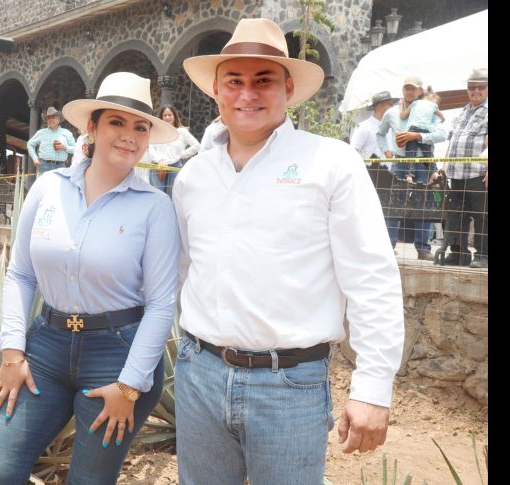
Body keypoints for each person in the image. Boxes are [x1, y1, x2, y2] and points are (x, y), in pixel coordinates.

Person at [173, 18, 404, 484]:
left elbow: (371, 277)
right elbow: (184, 272)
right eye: (234, 81)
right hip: (199, 375)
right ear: (216, 90)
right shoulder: (192, 177)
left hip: (289, 386)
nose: (247, 94)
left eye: (264, 80)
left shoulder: (332, 163)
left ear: (289, 88)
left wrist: (373, 388)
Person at [0, 72, 180, 484]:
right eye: (116, 123)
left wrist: (129, 387)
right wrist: (13, 352)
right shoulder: (47, 188)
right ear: (92, 127)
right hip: (46, 349)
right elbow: (20, 273)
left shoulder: (155, 208)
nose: (128, 137)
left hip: (117, 355)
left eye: (140, 127)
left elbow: (161, 304)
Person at [376, 75, 446, 261]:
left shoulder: (428, 109)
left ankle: (423, 249)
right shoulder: (391, 112)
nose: (409, 91)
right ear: (402, 90)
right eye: (407, 88)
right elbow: (380, 134)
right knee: (394, 204)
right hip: (401, 162)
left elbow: (442, 134)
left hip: (424, 163)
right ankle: (388, 247)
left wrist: (418, 136)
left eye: (413, 88)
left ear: (420, 91)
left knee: (425, 206)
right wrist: (386, 151)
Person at [441, 68, 488, 268]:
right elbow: (452, 142)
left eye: (480, 87)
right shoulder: (463, 111)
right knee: (456, 214)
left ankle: (483, 255)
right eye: (471, 87)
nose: (475, 91)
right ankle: (459, 253)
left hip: (478, 173)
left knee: (482, 216)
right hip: (457, 174)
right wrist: (443, 167)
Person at [145, 105, 200, 196]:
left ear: (174, 116)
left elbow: (197, 146)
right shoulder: (156, 131)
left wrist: (181, 155)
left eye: (170, 115)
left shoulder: (182, 132)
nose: (167, 117)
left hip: (175, 166)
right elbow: (150, 147)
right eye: (165, 115)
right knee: (157, 196)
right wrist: (159, 160)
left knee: (173, 196)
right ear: (161, 117)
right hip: (158, 166)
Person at [399, 86, 445, 158]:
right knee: (428, 157)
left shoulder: (415, 103)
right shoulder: (433, 106)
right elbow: (442, 118)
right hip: (425, 131)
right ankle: (432, 167)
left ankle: (411, 168)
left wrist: (401, 104)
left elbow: (402, 116)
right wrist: (439, 120)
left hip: (412, 129)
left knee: (411, 156)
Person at [27, 106, 76, 174]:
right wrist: (35, 158)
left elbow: (76, 149)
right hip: (44, 166)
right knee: (45, 185)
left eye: (53, 117)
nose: (50, 119)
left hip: (61, 166)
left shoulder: (67, 133)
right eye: (49, 118)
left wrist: (65, 147)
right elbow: (30, 144)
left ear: (59, 119)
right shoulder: (41, 132)